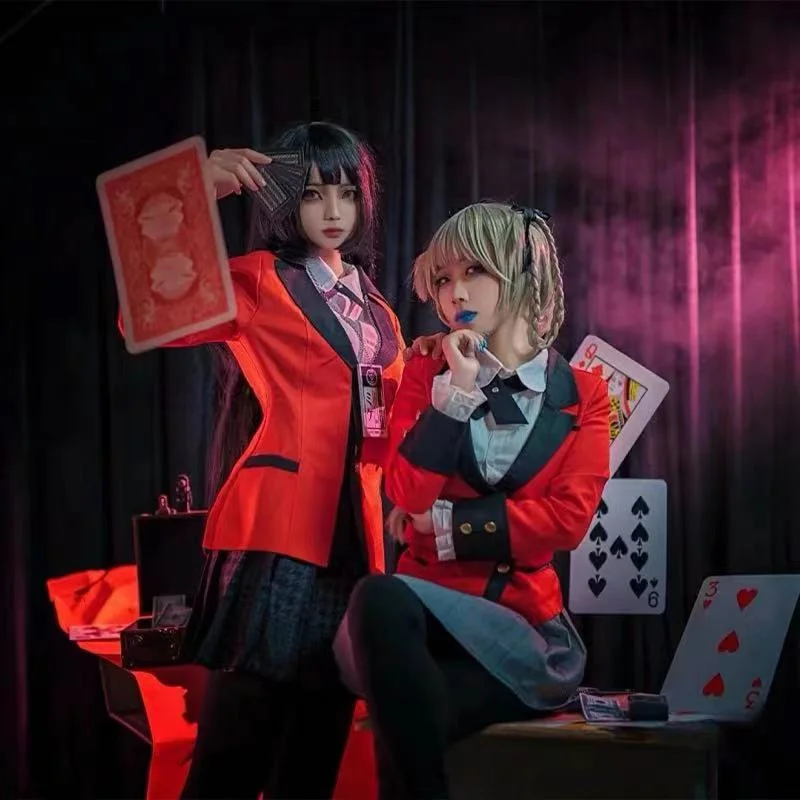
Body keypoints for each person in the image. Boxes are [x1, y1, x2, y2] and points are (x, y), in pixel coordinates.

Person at [121, 122, 407, 799]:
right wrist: (196, 190)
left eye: (347, 193)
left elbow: (389, 425)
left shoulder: (381, 311)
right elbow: (145, 313)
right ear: (283, 199)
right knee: (231, 757)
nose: (333, 211)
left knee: (314, 758)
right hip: (278, 536)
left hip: (356, 546)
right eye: (312, 194)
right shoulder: (257, 280)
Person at [334, 201, 612, 799]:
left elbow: (568, 521)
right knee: (378, 598)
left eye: (474, 271)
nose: (454, 292)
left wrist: (444, 526)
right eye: (442, 278)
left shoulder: (584, 393)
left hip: (521, 633)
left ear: (522, 272)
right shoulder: (426, 371)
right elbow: (405, 491)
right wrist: (455, 391)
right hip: (419, 624)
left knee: (407, 717)